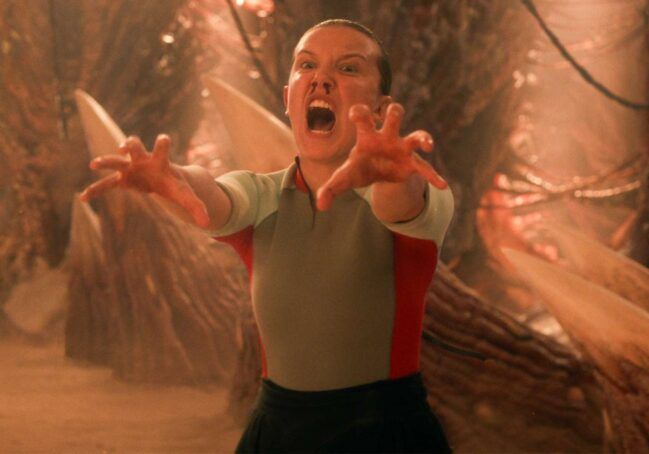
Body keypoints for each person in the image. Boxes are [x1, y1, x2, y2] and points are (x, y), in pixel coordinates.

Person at [81, 18, 454, 453]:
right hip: (276, 429)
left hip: (385, 431)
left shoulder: (421, 192)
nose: (322, 79)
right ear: (287, 98)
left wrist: (392, 177)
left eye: (348, 68)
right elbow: (216, 197)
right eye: (307, 65)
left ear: (380, 105)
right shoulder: (262, 196)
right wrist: (174, 179)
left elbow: (402, 204)